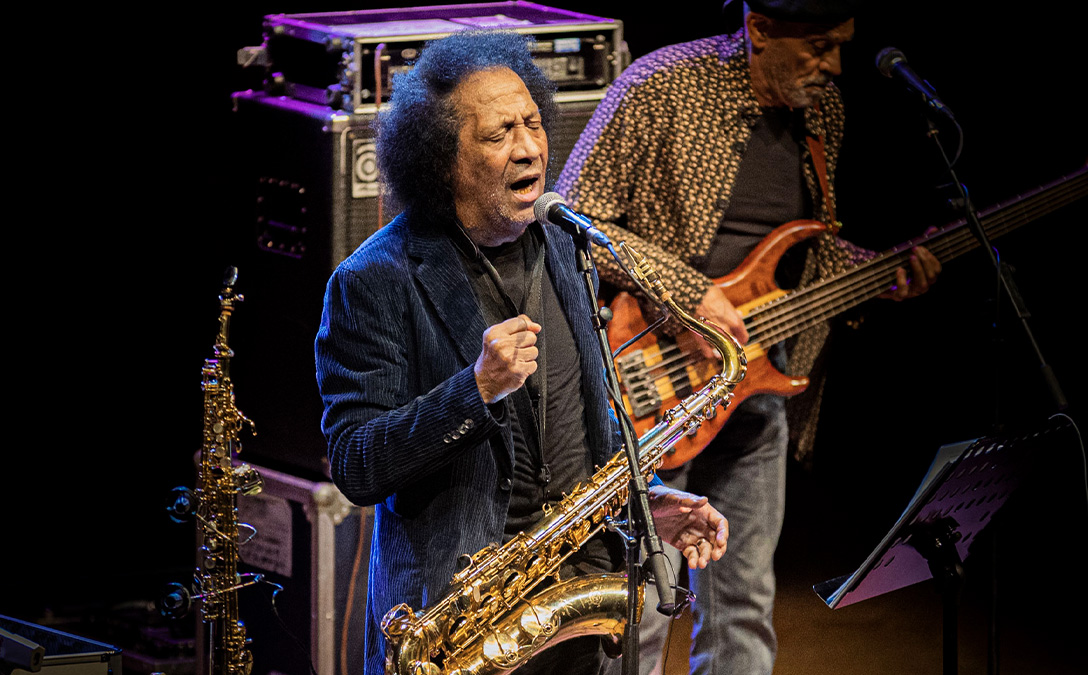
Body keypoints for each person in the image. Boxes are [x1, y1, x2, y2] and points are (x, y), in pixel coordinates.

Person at [314, 31, 731, 675]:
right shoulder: (375, 280)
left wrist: (646, 501)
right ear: (441, 159)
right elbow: (356, 464)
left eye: (533, 122)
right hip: (462, 628)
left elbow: (583, 430)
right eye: (498, 133)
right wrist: (473, 389)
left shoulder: (563, 245)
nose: (529, 146)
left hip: (580, 603)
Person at [556, 1, 942, 673]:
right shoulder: (663, 85)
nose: (835, 65)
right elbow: (569, 220)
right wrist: (687, 291)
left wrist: (881, 275)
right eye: (819, 45)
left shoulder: (823, 113)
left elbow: (806, 262)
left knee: (744, 607)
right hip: (650, 380)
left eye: (842, 45)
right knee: (639, 611)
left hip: (757, 385)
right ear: (759, 29)